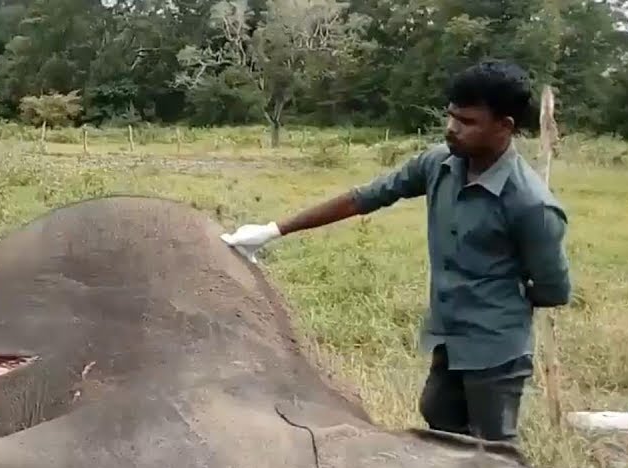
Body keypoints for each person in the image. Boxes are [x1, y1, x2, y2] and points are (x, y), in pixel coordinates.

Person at [221, 59, 571, 445]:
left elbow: (554, 288)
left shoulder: (531, 205)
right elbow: (365, 198)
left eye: (467, 122)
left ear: (504, 127)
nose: (452, 129)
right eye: (451, 116)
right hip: (448, 335)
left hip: (495, 349)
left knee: (495, 449)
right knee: (438, 417)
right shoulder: (439, 164)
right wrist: (273, 230)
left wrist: (499, 303)